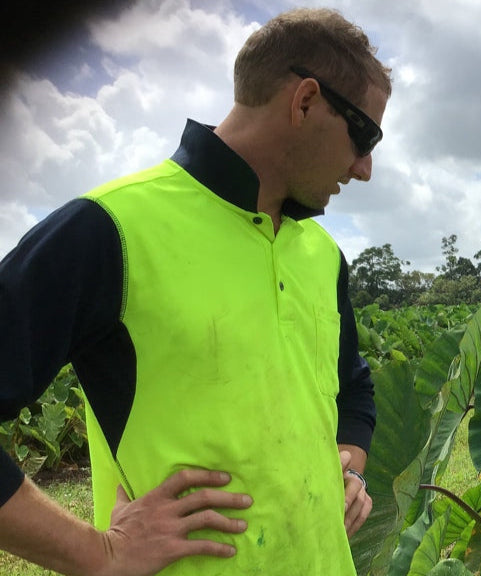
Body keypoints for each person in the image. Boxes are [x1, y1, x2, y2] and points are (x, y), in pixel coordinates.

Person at [0, 7, 390, 575]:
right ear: (305, 101)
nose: (365, 168)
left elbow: (352, 389)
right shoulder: (110, 229)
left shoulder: (323, 255)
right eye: (365, 135)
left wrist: (348, 465)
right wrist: (99, 553)